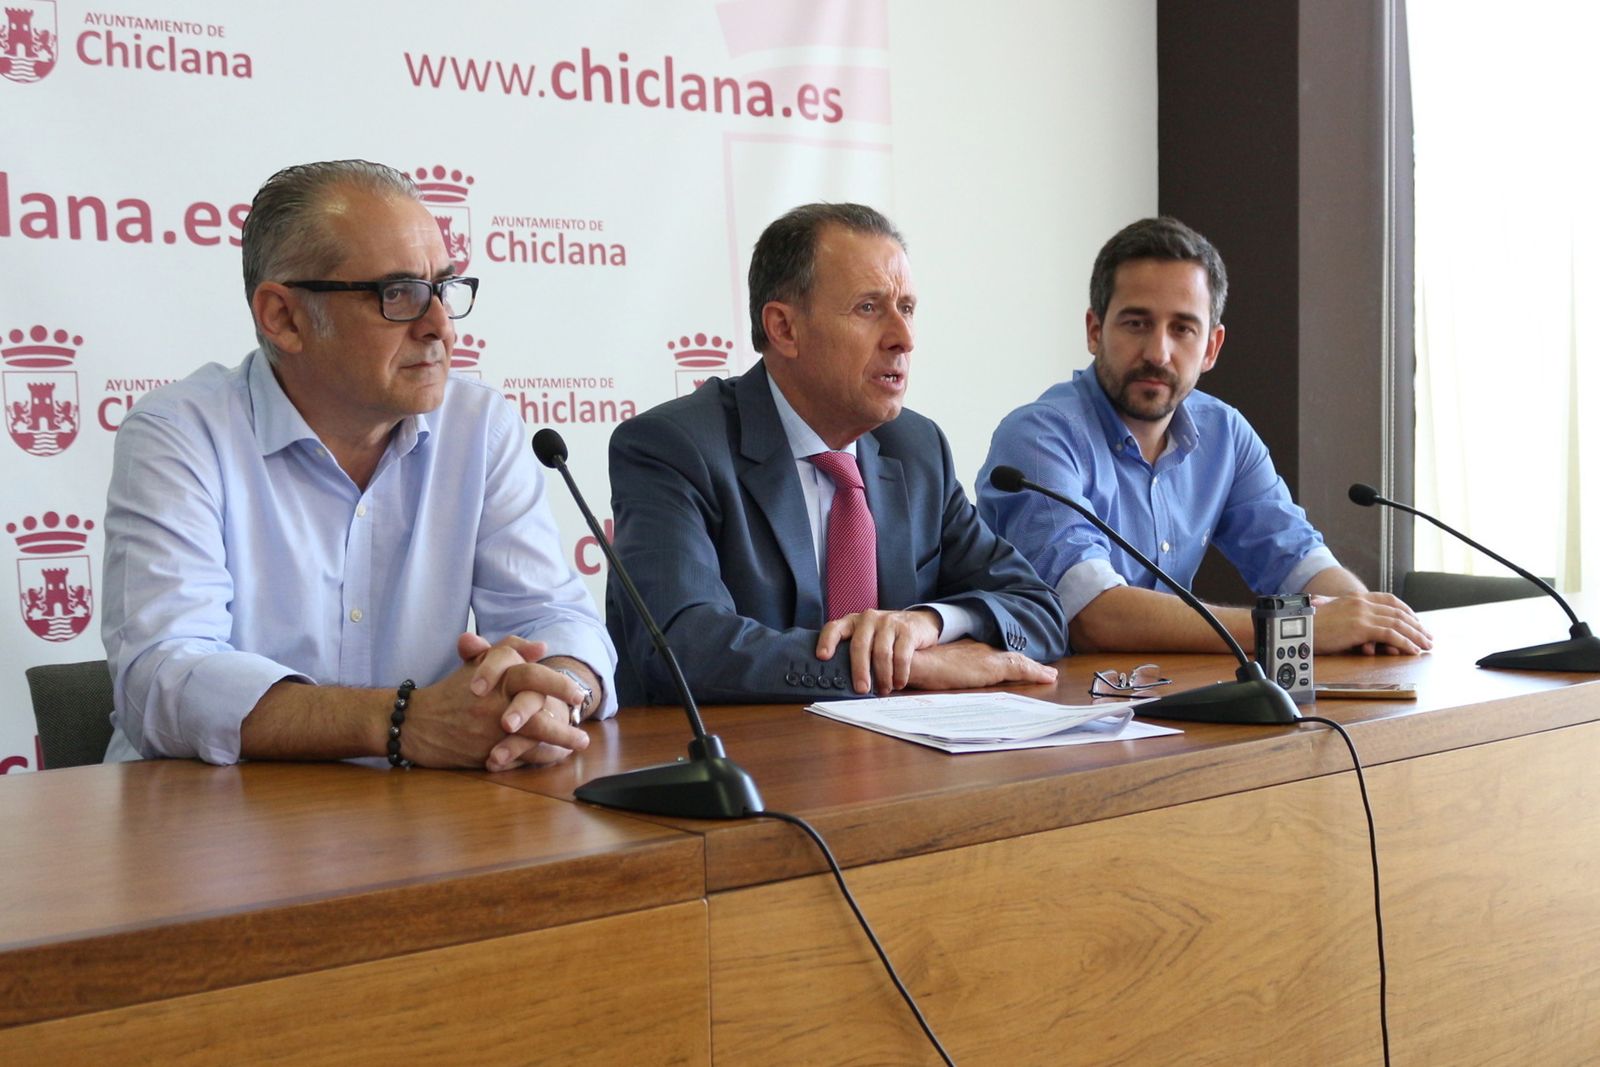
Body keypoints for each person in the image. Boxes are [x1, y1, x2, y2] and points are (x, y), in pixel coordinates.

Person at [102, 160, 616, 771]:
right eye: (398, 295)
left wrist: (552, 694)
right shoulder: (181, 433)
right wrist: (403, 721)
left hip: (423, 807)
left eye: (444, 289)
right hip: (215, 812)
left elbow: (554, 618)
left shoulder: (480, 426)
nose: (440, 327)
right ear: (284, 317)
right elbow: (162, 675)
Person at [607, 203, 1067, 705]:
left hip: (903, 747)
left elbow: (1039, 610)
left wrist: (930, 624)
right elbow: (682, 645)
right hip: (748, 749)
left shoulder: (916, 449)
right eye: (868, 308)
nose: (904, 339)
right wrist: (904, 668)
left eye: (907, 308)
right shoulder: (674, 447)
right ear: (784, 328)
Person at [977, 216, 1432, 657]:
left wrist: (1363, 618)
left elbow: (1297, 558)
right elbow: (1092, 616)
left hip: (1162, 693)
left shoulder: (1224, 434)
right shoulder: (1038, 439)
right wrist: (1293, 628)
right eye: (1136, 323)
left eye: (1182, 329)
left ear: (1211, 347)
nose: (1158, 353)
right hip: (1047, 699)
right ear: (1095, 332)